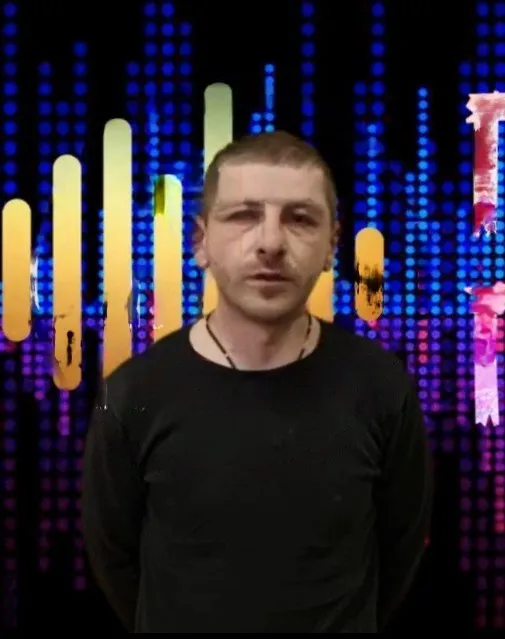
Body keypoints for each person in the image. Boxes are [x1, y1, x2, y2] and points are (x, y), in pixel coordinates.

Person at [81, 131, 433, 633]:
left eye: (300, 218)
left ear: (332, 246)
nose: (270, 243)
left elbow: (400, 549)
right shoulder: (133, 394)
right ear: (200, 242)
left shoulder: (381, 386)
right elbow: (114, 558)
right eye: (244, 215)